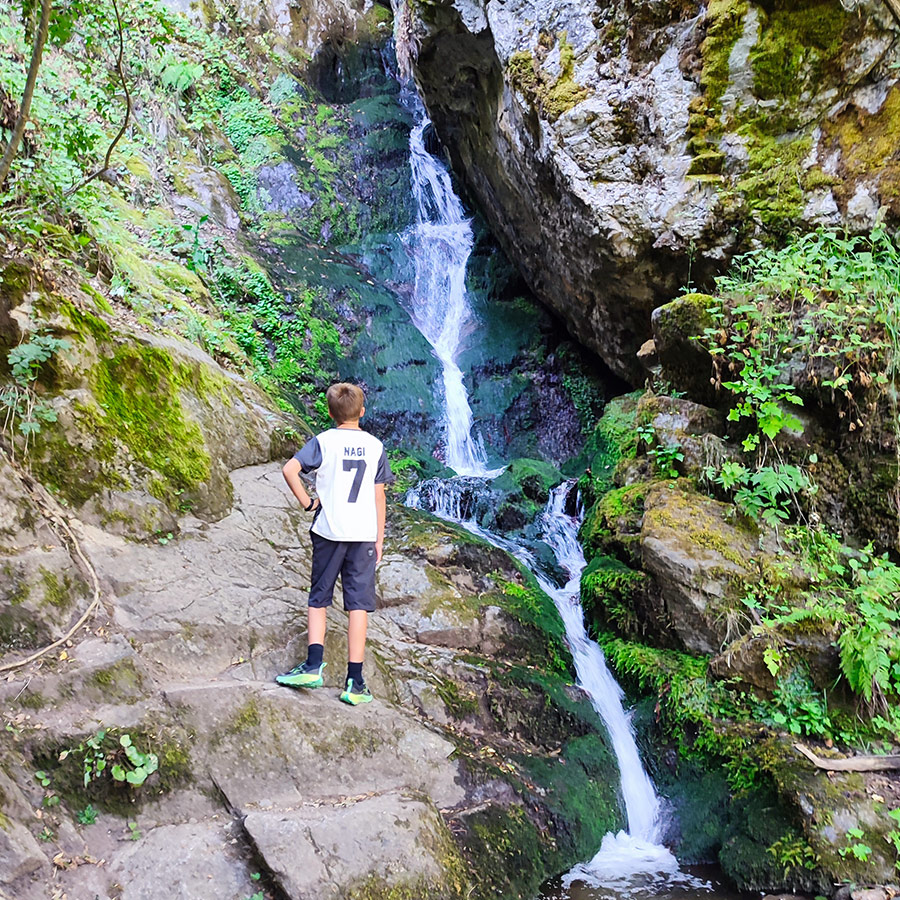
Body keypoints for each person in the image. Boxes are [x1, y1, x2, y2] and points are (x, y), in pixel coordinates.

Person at [276, 383, 392, 705]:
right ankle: (355, 681)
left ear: (330, 413)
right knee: (358, 606)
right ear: (363, 412)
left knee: (319, 598)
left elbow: (290, 469)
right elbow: (378, 496)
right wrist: (379, 538)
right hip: (363, 535)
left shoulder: (323, 441)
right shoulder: (375, 446)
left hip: (329, 531)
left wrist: (308, 503)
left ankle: (313, 666)